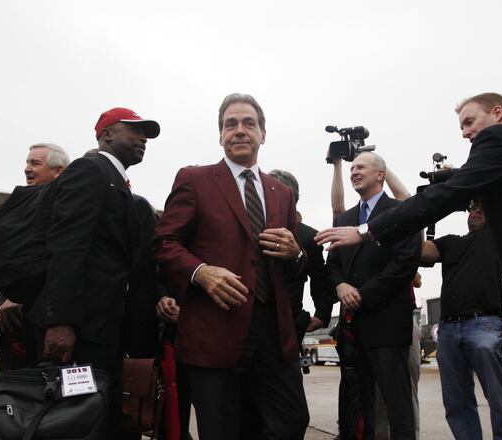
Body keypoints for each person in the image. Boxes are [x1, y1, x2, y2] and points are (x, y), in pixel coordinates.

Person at [317, 92, 502, 439]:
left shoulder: (501, 137)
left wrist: (367, 231)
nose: (464, 133)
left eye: (469, 122)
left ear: (498, 113)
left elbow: (442, 198)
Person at [153, 93, 310, 439]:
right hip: (215, 332)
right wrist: (201, 272)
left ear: (263, 134)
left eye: (248, 123)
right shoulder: (195, 179)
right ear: (220, 135)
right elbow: (164, 243)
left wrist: (295, 254)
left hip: (274, 333)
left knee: (291, 421)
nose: (239, 131)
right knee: (223, 431)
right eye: (230, 124)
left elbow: (295, 268)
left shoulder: (281, 192)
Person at [28, 107, 160, 437]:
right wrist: (61, 321)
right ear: (106, 134)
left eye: (146, 133)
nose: (143, 138)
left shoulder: (117, 182)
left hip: (104, 332)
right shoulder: (90, 170)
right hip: (83, 334)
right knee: (78, 423)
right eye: (135, 130)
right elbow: (67, 246)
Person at [326, 152, 421, 440]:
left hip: (388, 324)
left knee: (397, 404)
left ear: (380, 174)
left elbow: (404, 264)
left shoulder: (400, 212)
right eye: (352, 168)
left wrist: (362, 295)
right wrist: (341, 286)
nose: (354, 172)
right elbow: (333, 265)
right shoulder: (345, 218)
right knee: (359, 403)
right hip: (353, 328)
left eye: (361, 167)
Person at [421, 200, 502, 440]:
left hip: (483, 324)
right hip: (448, 329)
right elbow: (420, 251)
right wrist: (427, 209)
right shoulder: (452, 242)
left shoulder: (498, 238)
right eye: (472, 207)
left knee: (498, 397)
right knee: (456, 402)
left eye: (483, 208)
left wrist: (461, 190)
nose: (476, 211)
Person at [0, 142, 70, 371]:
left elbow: (59, 260)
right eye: (27, 162)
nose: (27, 168)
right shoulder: (23, 203)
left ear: (58, 171)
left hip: (41, 324)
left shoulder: (65, 208)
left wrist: (21, 294)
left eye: (35, 163)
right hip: (12, 327)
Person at [267, 169, 333, 339]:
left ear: (291, 198)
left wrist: (322, 314)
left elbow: (319, 279)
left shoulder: (309, 237)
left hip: (290, 321)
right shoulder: (249, 229)